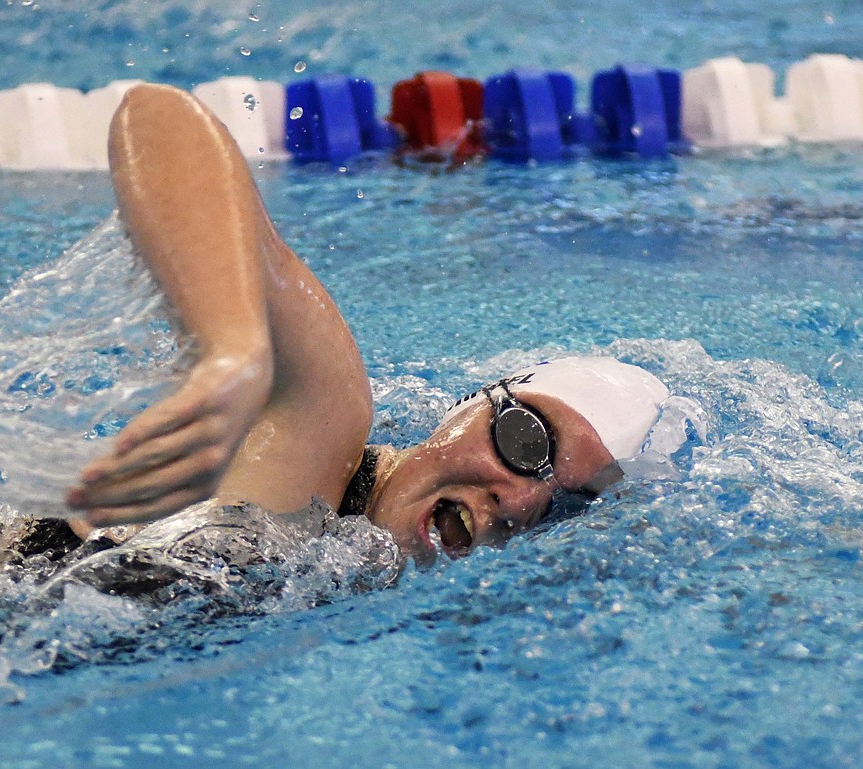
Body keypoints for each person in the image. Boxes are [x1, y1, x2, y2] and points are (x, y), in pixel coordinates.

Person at [64, 83, 672, 563]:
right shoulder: (320, 430)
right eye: (526, 443)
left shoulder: (356, 567)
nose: (520, 500)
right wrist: (235, 351)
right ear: (467, 406)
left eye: (567, 507)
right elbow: (158, 116)